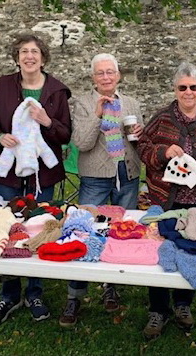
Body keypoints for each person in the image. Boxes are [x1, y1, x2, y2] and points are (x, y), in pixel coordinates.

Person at [137, 61, 196, 340]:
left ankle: (182, 304)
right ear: (175, 89)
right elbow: (143, 147)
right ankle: (158, 309)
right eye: (183, 87)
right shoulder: (162, 118)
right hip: (165, 200)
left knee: (191, 252)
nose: (188, 92)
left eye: (193, 87)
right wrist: (164, 151)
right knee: (160, 253)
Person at [0, 35, 71, 323]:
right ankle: (8, 292)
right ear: (17, 57)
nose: (29, 56)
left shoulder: (57, 91)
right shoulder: (4, 85)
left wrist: (47, 121)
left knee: (37, 227)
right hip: (9, 169)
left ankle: (35, 291)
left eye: (35, 52)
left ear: (43, 58)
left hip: (41, 173)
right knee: (8, 226)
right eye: (24, 51)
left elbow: (64, 134)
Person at [59, 53, 143, 328]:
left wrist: (141, 134)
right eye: (100, 73)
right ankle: (75, 295)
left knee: (120, 233)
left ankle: (111, 286)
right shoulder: (83, 103)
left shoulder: (130, 102)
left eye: (110, 72)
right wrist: (97, 114)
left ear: (118, 75)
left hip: (127, 175)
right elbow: (81, 143)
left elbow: (139, 142)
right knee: (82, 232)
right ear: (93, 77)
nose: (106, 77)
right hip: (95, 177)